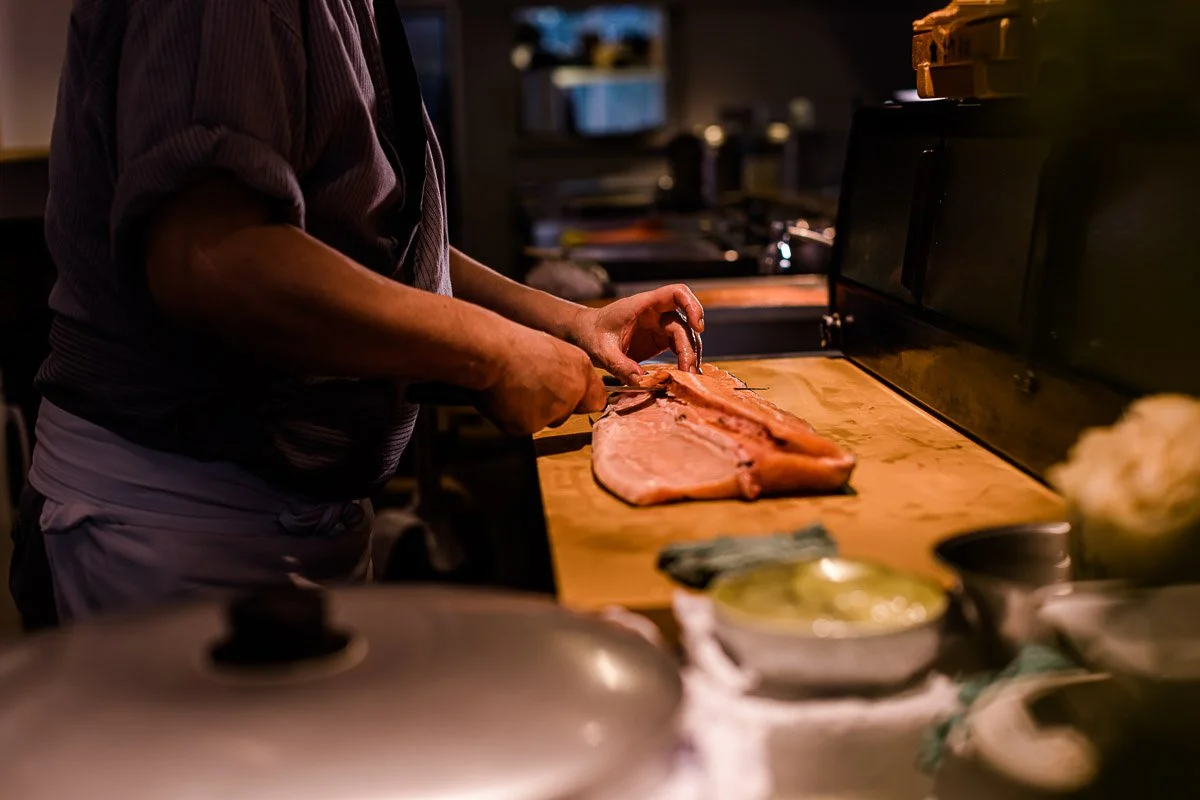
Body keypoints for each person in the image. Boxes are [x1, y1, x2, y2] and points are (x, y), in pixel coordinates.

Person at [7, 0, 703, 629]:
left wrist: (568, 323)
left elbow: (374, 248)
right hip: (169, 531)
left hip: (284, 522)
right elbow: (212, 260)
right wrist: (489, 350)